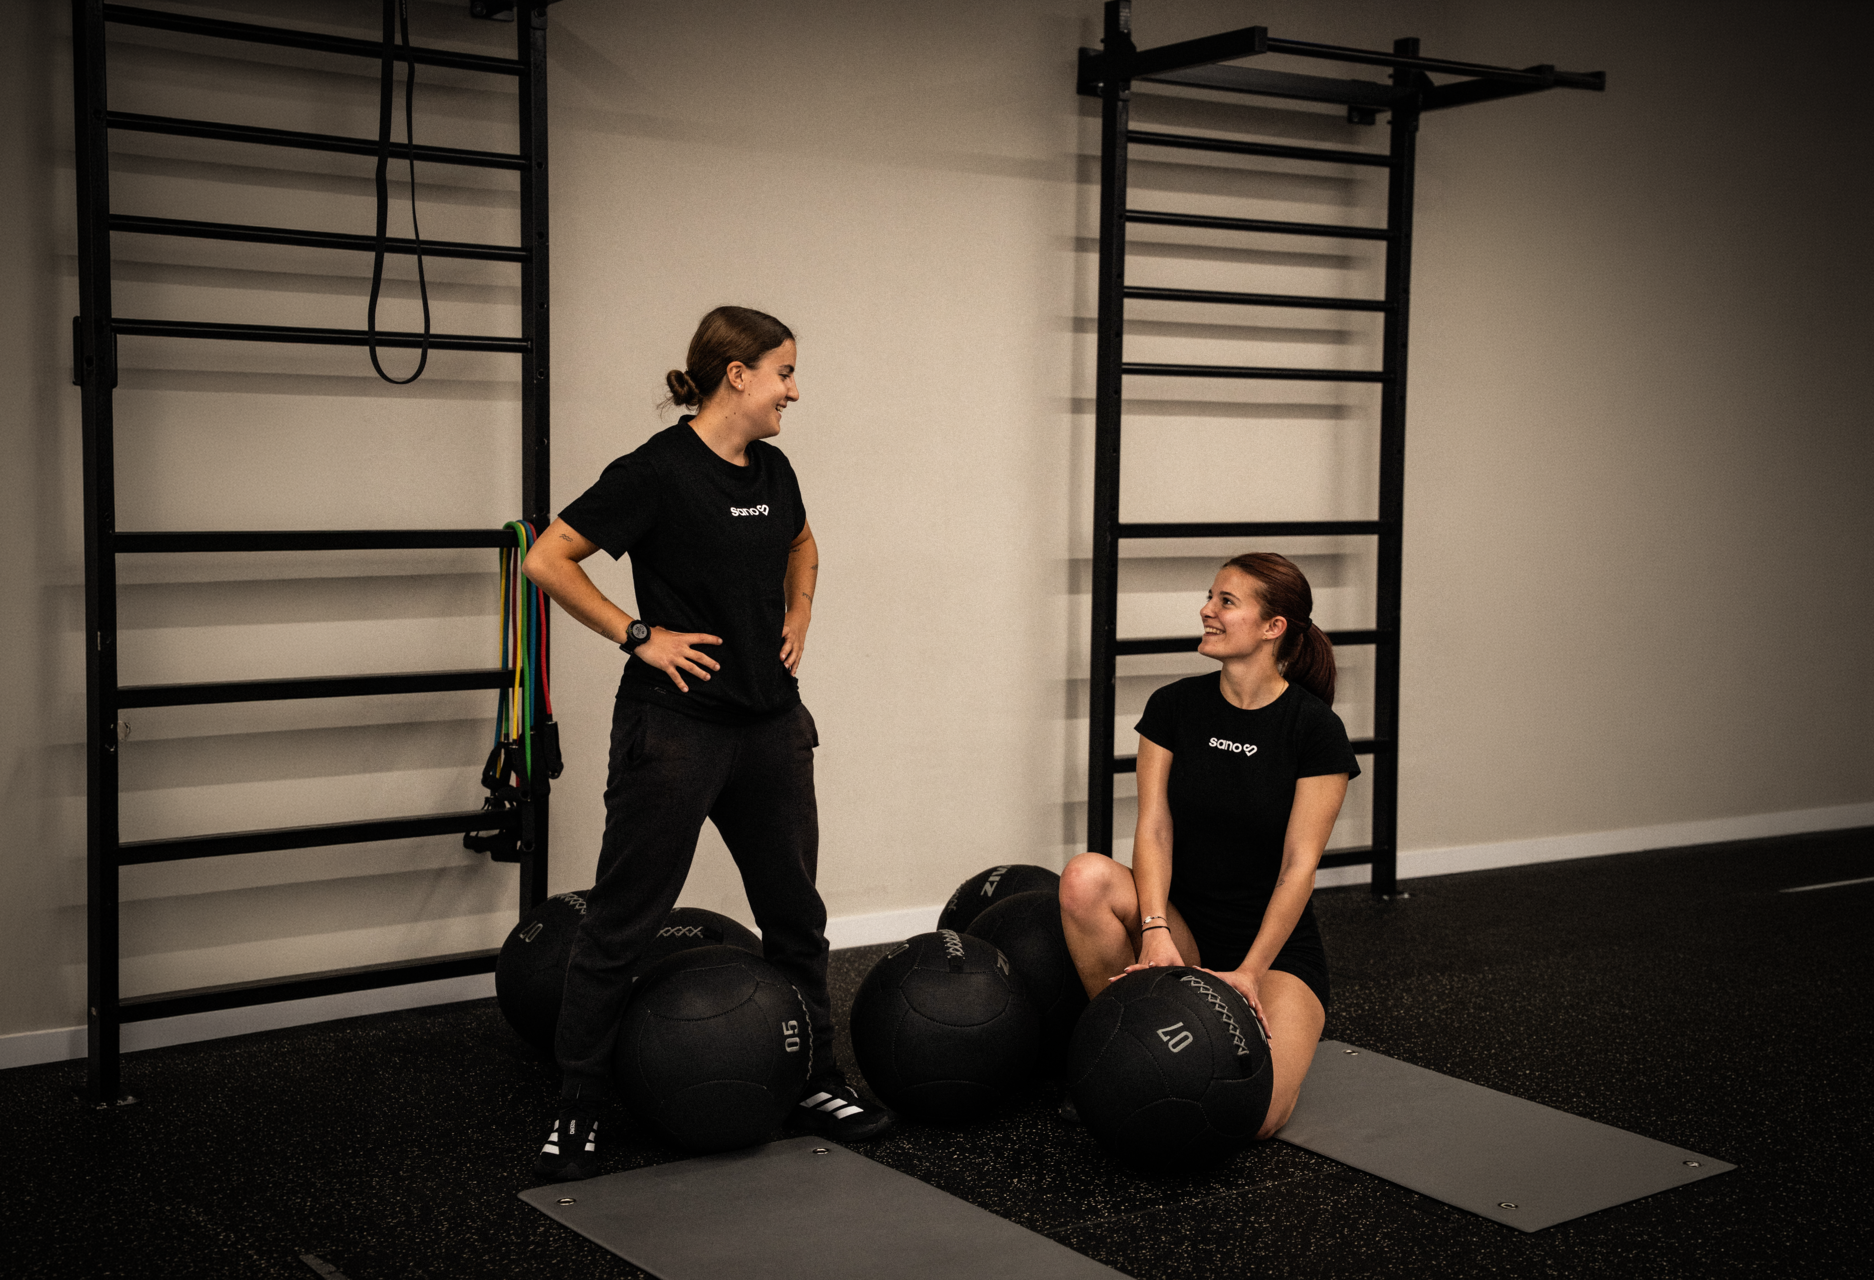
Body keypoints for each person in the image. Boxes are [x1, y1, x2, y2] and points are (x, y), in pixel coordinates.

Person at [520, 305, 892, 1182]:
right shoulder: (656, 472)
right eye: (784, 373)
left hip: (768, 726)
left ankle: (815, 1077)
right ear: (737, 375)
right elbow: (548, 558)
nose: (793, 391)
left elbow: (802, 545)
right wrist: (635, 632)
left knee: (795, 914)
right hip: (676, 729)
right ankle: (579, 1104)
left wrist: (799, 616)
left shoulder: (776, 467)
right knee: (623, 921)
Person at [1060, 552, 1357, 1140]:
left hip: (1273, 952)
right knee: (1084, 877)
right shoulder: (1174, 707)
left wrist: (1248, 973)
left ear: (1273, 627)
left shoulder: (1313, 728)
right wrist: (1153, 928)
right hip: (1182, 926)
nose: (1207, 610)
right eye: (1210, 597)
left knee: (1256, 1118)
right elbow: (1154, 828)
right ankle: (1118, 1045)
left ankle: (1232, 1007)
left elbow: (1300, 865)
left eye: (1226, 601)